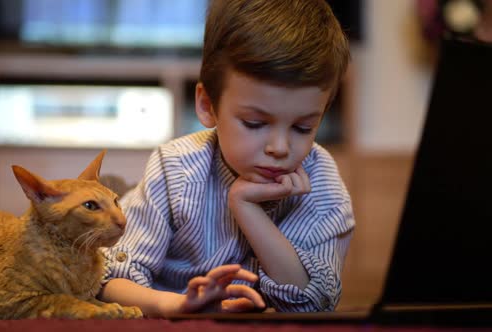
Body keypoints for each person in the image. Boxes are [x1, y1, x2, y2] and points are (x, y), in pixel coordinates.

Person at [99, 0, 354, 317]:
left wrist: (248, 209)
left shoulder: (320, 179)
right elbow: (107, 279)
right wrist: (179, 305)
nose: (279, 147)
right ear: (207, 105)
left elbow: (314, 304)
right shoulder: (175, 166)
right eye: (255, 124)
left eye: (303, 128)